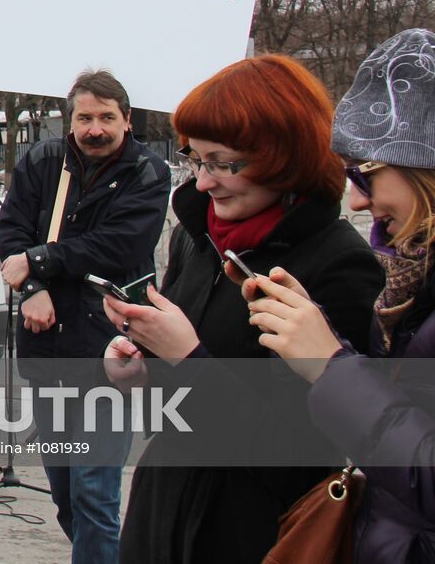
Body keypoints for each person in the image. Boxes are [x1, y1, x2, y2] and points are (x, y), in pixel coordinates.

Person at [102, 55, 384, 563]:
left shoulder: (339, 264)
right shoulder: (198, 237)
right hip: (160, 520)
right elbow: (172, 415)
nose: (204, 183)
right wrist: (140, 375)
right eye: (196, 160)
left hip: (255, 537)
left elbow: (303, 457)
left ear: (284, 157)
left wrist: (188, 358)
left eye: (223, 163)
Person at [249, 29, 435, 561]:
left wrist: (330, 366)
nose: (355, 200)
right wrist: (321, 332)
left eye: (365, 173)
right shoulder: (412, 276)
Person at [0, 70, 170, 564]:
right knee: (65, 493)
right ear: (70, 119)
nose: (95, 128)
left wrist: (41, 261)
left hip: (111, 350)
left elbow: (117, 247)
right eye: (85, 117)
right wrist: (31, 286)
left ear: (127, 119)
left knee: (95, 491)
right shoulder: (43, 160)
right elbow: (13, 232)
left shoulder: (148, 172)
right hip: (47, 349)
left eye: (107, 118)